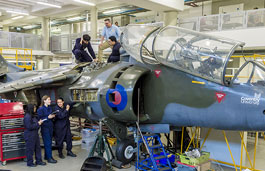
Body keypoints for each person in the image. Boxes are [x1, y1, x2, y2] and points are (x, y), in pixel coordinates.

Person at [37, 95, 57, 164]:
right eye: (48, 99)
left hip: (50, 127)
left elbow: (50, 117)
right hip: (45, 128)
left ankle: (46, 156)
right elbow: (40, 120)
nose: (50, 101)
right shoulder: (40, 109)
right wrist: (48, 117)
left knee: (49, 142)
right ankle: (49, 158)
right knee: (48, 143)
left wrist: (53, 116)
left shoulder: (50, 108)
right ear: (44, 100)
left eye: (50, 99)